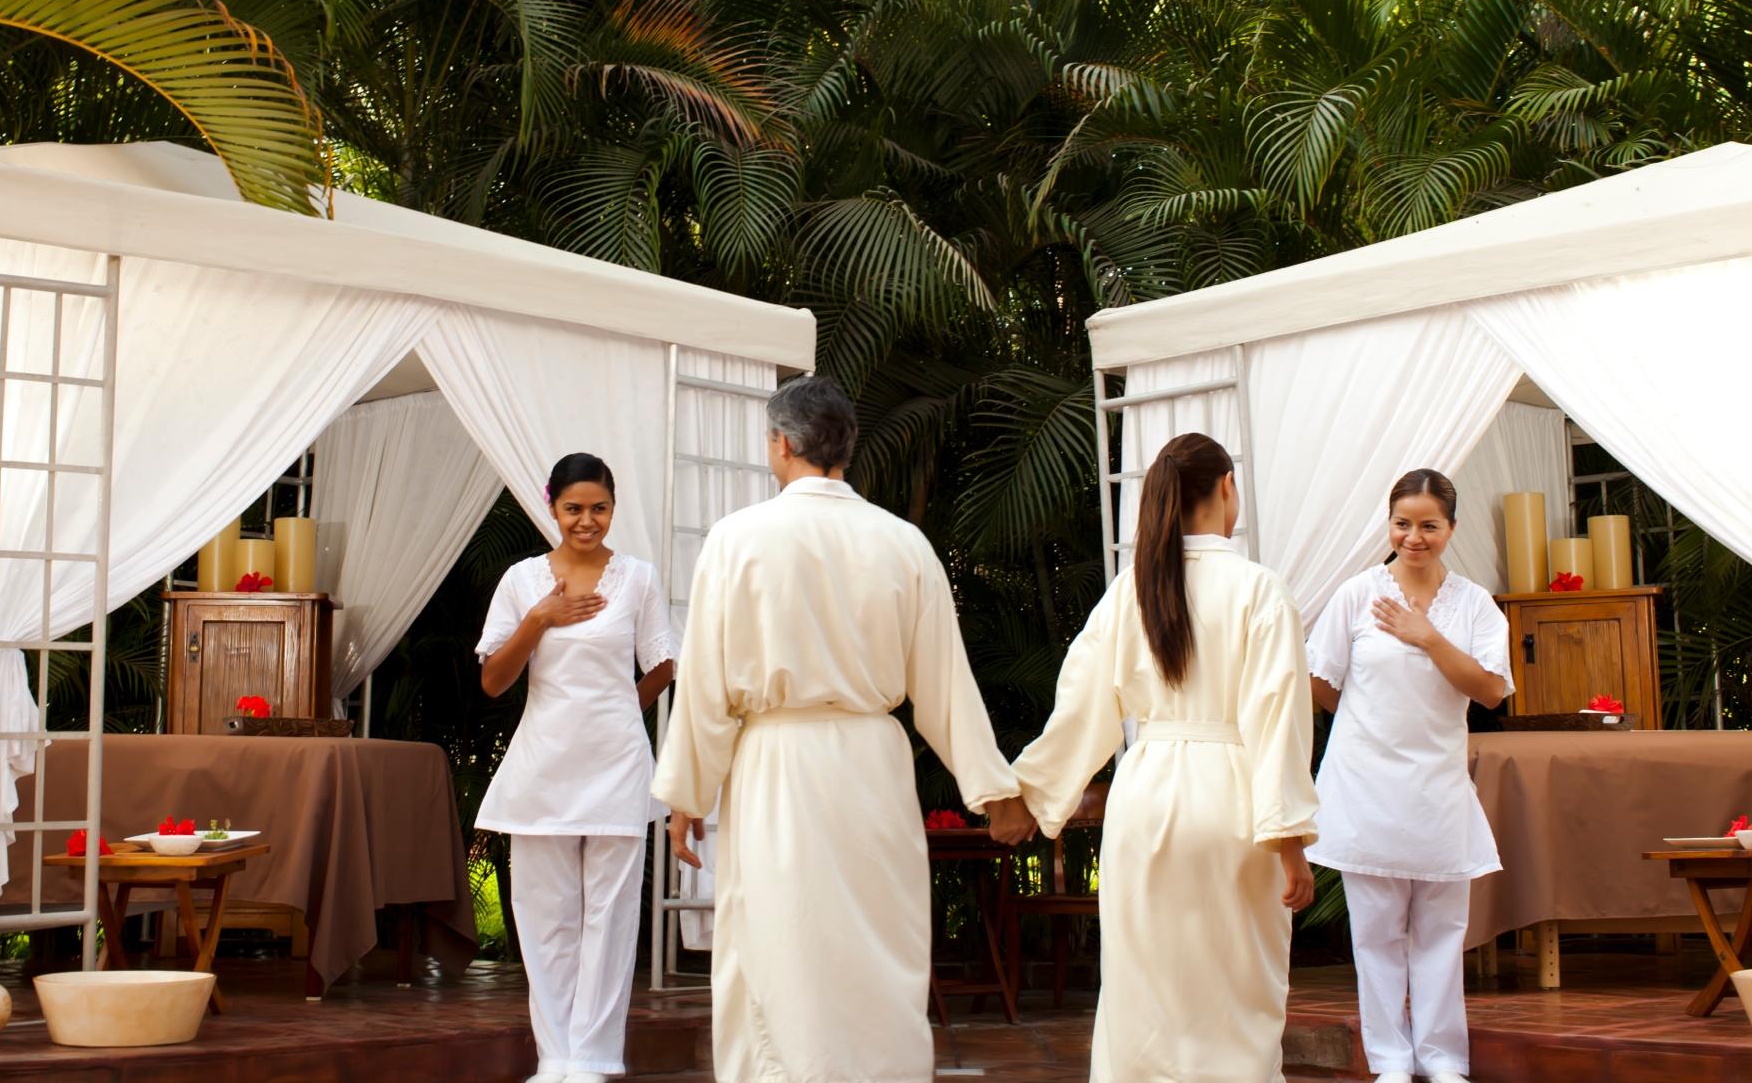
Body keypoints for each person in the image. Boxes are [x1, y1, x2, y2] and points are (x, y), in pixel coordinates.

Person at [651, 374, 1035, 1082]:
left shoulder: (737, 540)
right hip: (870, 766)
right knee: (873, 942)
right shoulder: (904, 544)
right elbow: (945, 685)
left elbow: (705, 684)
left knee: (778, 939)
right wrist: (993, 791)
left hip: (775, 766)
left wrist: (687, 796)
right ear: (845, 450)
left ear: (781, 444)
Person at [1009, 432, 1320, 1083]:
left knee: (1144, 1001)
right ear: (1226, 487)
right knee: (1238, 997)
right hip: (1232, 800)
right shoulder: (1260, 590)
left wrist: (1029, 799)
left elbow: (1082, 707)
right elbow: (1278, 717)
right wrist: (1289, 838)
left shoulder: (1132, 590)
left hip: (1146, 799)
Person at [476, 453, 678, 1083]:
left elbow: (664, 664)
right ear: (552, 508)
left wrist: (621, 708)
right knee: (545, 918)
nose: (586, 521)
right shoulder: (520, 582)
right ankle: (555, 1058)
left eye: (599, 508)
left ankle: (592, 1059)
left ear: (613, 508)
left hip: (618, 764)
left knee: (611, 918)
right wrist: (540, 619)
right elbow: (493, 681)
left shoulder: (638, 578)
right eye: (573, 508)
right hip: (543, 766)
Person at [1307, 470, 1512, 1083]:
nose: (1414, 537)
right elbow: (1322, 680)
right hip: (1365, 786)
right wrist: (1368, 727)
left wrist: (1428, 638)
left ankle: (1444, 1060)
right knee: (1374, 937)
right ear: (1388, 524)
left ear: (1451, 527)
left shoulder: (1473, 603)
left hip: (1439, 789)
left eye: (1428, 525)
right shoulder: (1356, 594)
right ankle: (1391, 1062)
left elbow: (1492, 691)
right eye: (1402, 523)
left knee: (1442, 936)